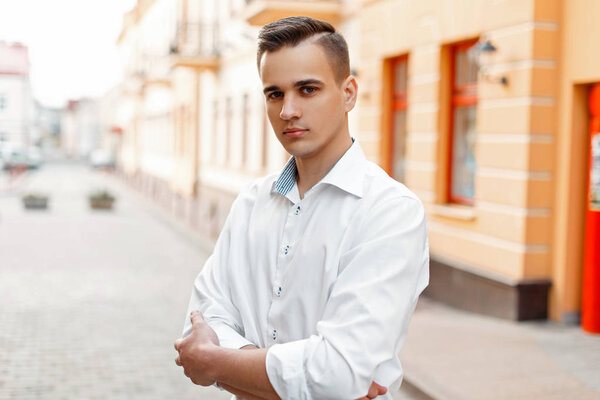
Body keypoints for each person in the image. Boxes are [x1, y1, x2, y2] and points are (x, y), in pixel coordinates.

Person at [174, 16, 429, 400]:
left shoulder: (390, 211)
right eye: (274, 94)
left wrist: (217, 364)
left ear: (348, 93)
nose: (288, 110)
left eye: (307, 89)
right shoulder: (250, 203)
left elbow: (338, 373)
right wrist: (306, 381)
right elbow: (203, 323)